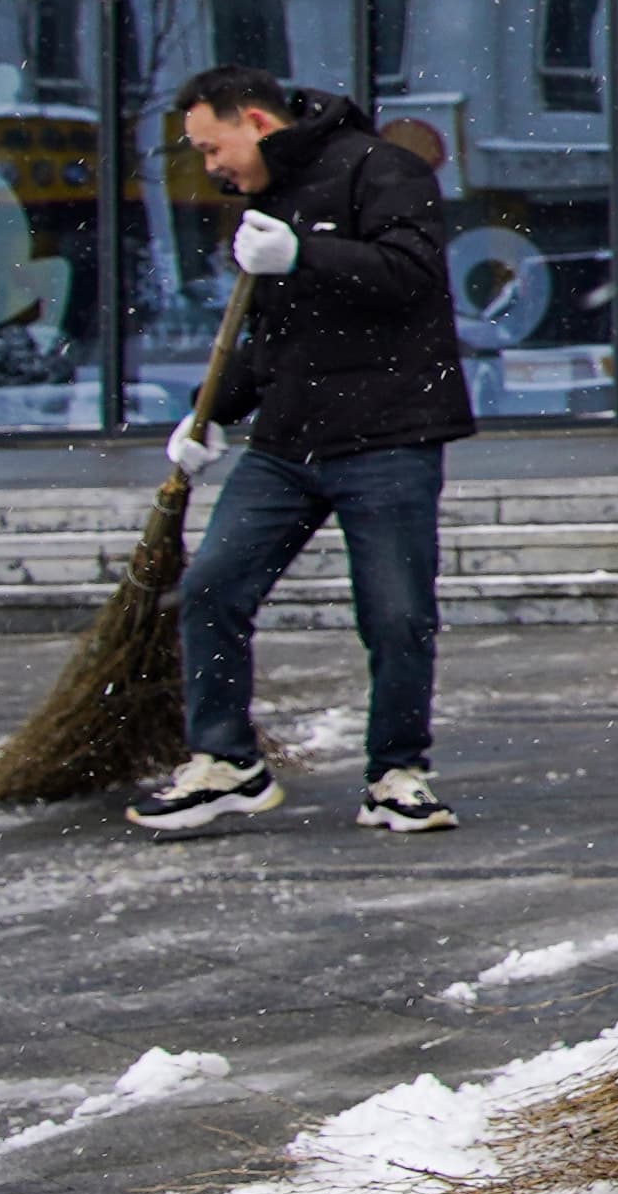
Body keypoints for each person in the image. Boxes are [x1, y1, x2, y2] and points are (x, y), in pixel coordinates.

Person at [134, 71, 476, 838]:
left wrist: (305, 256)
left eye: (212, 147)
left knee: (396, 616)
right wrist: (207, 417)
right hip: (286, 443)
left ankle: (396, 774)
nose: (210, 167)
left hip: (389, 438)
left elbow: (412, 276)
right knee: (212, 589)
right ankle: (226, 762)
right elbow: (270, 335)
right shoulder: (267, 200)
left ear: (255, 121)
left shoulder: (384, 169)